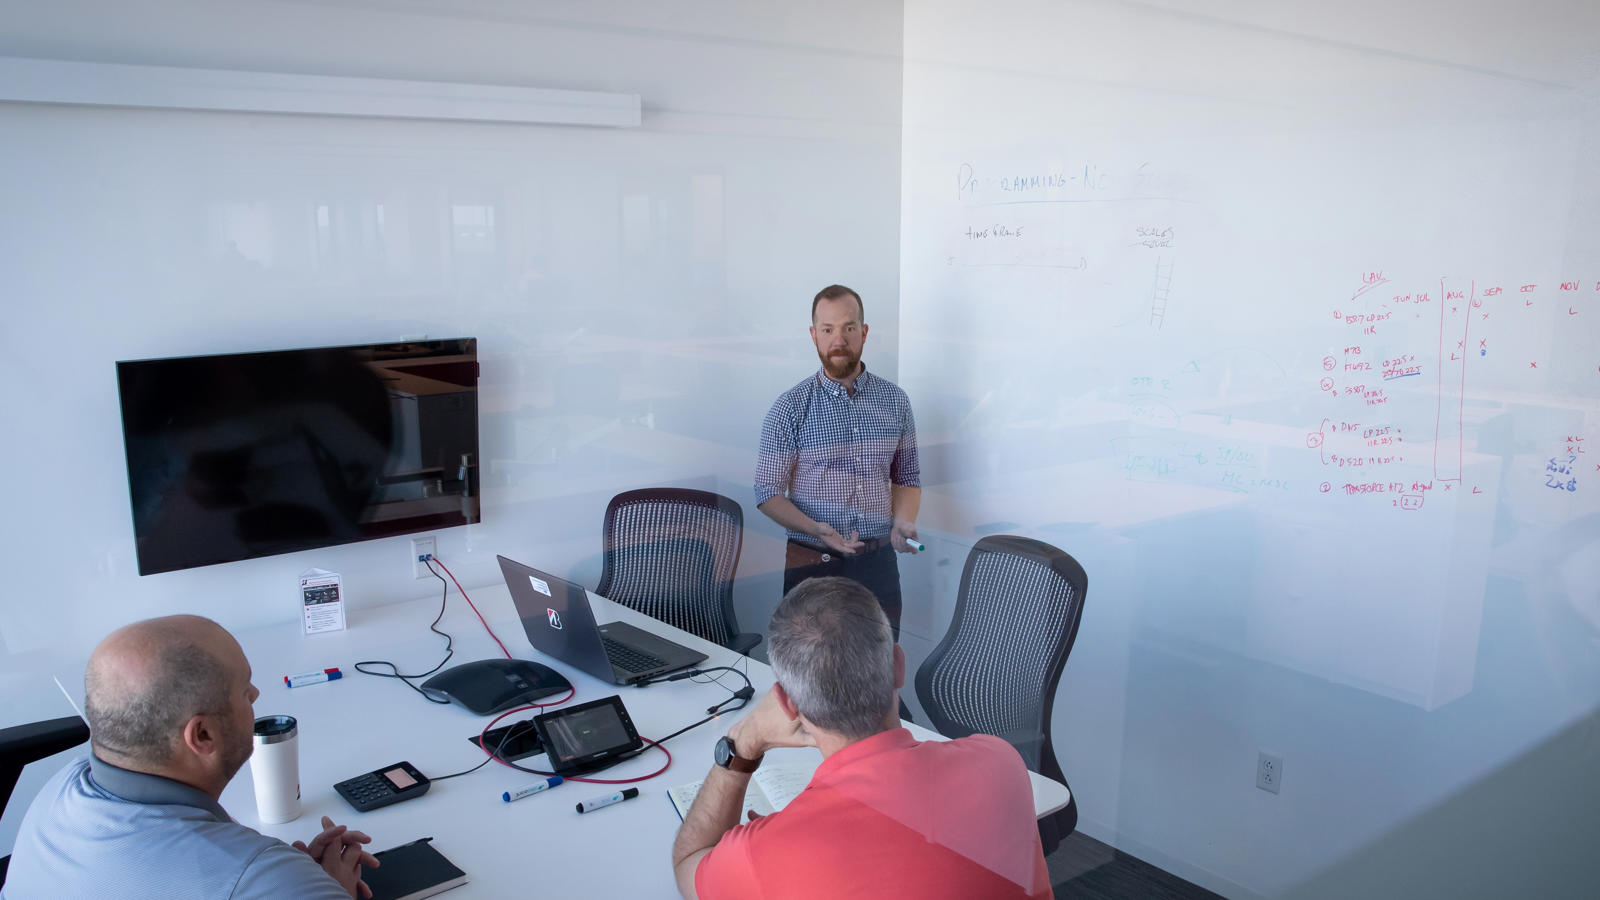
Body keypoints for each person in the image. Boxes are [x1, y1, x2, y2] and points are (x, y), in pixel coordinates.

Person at [671, 577, 1051, 899]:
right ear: (898, 666)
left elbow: (689, 865)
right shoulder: (999, 762)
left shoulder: (762, 855)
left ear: (787, 703)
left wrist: (742, 744)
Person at [2, 615, 379, 900]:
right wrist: (323, 890)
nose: (256, 693)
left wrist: (291, 879)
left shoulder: (60, 788)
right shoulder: (257, 878)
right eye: (244, 690)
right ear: (202, 734)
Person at [754, 284, 922, 637]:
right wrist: (818, 530)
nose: (839, 339)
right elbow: (767, 493)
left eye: (848, 328)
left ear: (864, 332)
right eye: (828, 330)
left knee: (882, 670)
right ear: (814, 336)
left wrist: (903, 521)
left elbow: (907, 478)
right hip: (813, 562)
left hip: (878, 565)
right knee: (811, 676)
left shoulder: (895, 402)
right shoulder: (790, 408)